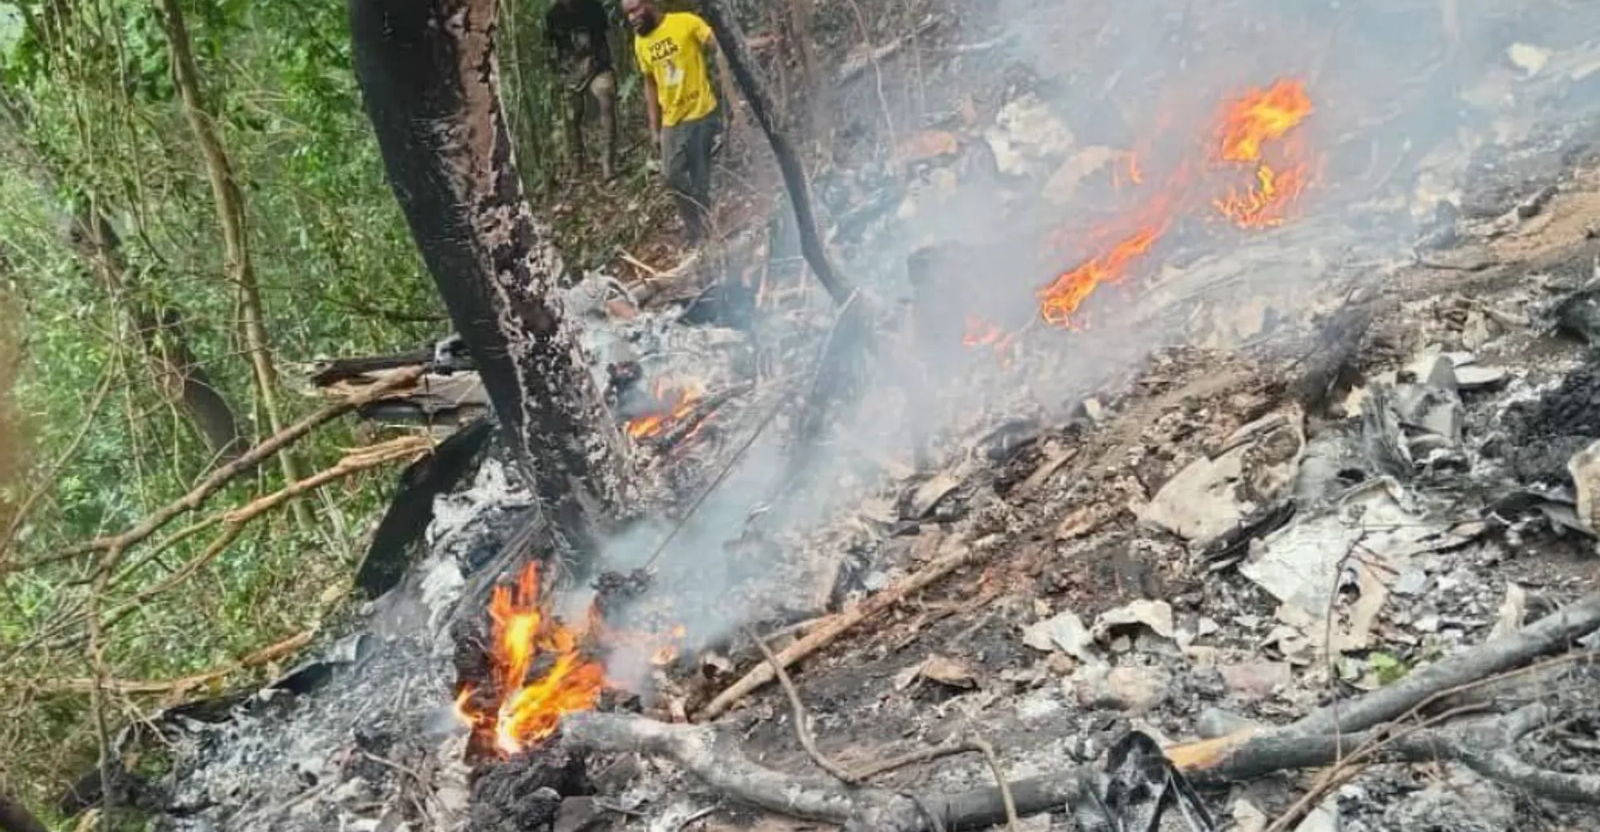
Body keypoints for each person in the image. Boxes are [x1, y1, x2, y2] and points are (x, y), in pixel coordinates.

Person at [623, 0, 721, 248]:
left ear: (650, 4)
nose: (632, 17)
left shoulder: (685, 22)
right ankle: (694, 228)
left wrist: (754, 44)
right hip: (671, 120)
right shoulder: (640, 42)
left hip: (700, 112)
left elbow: (717, 44)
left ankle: (706, 231)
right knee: (671, 175)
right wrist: (654, 129)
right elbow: (650, 84)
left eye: (635, 9)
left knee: (700, 178)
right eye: (628, 13)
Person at [546, 0, 618, 180]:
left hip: (597, 64)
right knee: (573, 116)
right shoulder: (553, 15)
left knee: (606, 99)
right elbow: (550, 47)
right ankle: (577, 162)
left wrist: (604, 62)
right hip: (571, 70)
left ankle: (607, 162)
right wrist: (558, 72)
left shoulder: (592, 5)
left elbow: (605, 36)